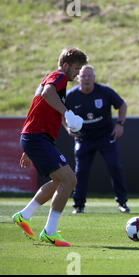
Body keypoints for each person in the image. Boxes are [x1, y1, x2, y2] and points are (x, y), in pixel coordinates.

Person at [13, 47, 88, 247]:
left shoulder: (53, 79)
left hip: (35, 138)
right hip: (37, 138)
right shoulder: (59, 77)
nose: (77, 73)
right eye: (76, 68)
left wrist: (27, 146)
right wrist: (68, 113)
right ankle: (49, 232)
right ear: (65, 66)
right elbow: (47, 93)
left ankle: (24, 215)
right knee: (69, 179)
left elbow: (38, 107)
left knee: (59, 182)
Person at [65, 65, 129, 214]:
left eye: (89, 76)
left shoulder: (105, 92)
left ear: (94, 78)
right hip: (83, 138)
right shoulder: (71, 96)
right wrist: (68, 127)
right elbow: (61, 113)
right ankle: (78, 205)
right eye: (83, 76)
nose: (86, 79)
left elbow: (122, 105)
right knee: (81, 171)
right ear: (78, 78)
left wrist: (120, 124)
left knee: (115, 166)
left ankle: (122, 202)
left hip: (105, 136)